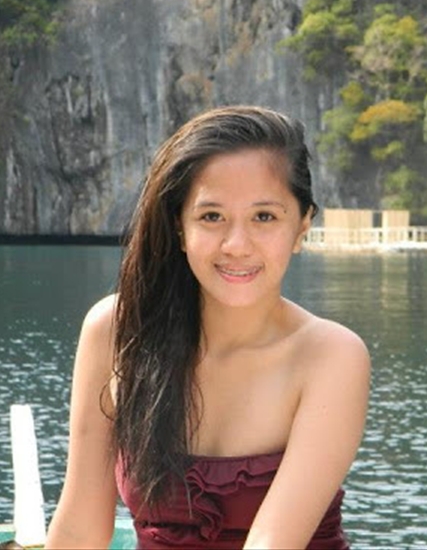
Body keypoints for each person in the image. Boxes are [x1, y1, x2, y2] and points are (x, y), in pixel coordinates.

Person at [45, 106, 371, 550]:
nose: (236, 246)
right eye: (212, 217)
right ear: (179, 227)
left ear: (302, 227)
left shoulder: (330, 356)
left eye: (264, 217)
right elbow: (80, 528)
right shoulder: (116, 331)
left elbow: (271, 544)